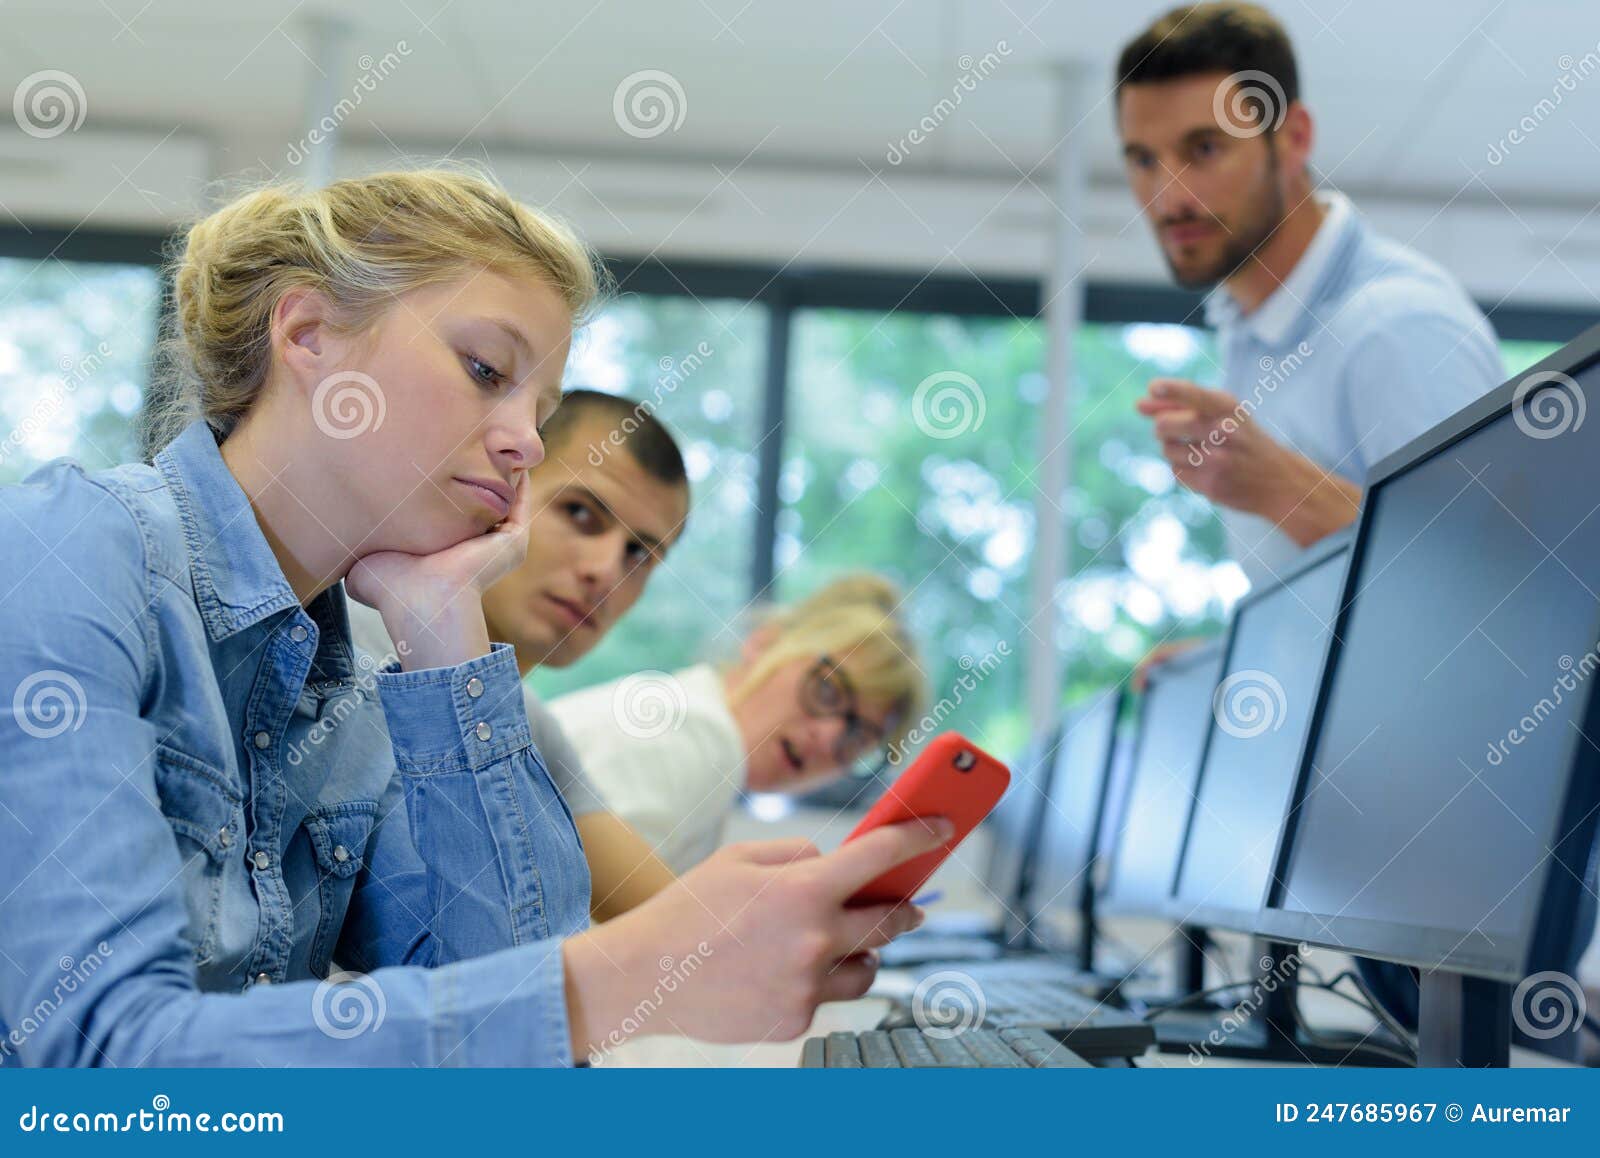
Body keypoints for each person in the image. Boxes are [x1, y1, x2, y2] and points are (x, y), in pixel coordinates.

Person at [0, 167, 943, 1067]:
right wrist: (624, 974)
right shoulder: (71, 552)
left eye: (541, 407)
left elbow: (510, 1028)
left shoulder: (363, 684)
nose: (528, 440)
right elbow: (96, 1069)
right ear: (309, 332)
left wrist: (444, 629)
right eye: (487, 370)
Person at [1116, 2, 1504, 596]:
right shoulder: (1248, 326)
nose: (1168, 198)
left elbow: (1493, 591)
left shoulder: (1395, 325)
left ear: (1292, 139)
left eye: (1204, 149)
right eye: (1144, 160)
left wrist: (1283, 488)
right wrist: (1234, 652)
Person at [347, 388, 689, 920]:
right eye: (580, 513)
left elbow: (680, 926)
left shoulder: (530, 725)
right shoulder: (356, 644)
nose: (604, 571)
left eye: (639, 554)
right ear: (509, 484)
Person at [550, 574, 927, 876]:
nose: (828, 737)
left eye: (859, 736)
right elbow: (588, 938)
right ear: (763, 644)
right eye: (828, 689)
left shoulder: (691, 728)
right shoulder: (696, 737)